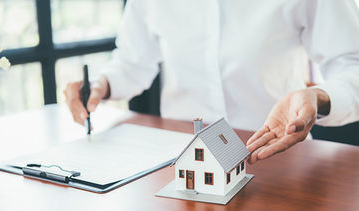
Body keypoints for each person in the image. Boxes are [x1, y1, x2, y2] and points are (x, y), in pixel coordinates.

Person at [65, 0, 359, 164]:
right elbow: (132, 62)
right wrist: (102, 84)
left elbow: (352, 65)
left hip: (276, 160)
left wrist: (317, 97)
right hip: (182, 162)